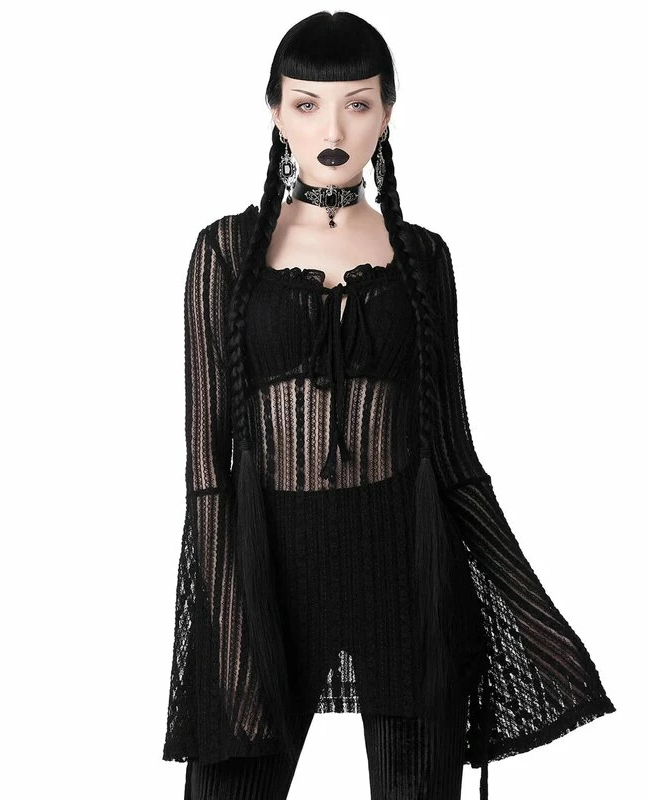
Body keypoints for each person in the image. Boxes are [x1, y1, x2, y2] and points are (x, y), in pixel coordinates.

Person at [162, 11, 616, 800]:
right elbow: (207, 466)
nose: (333, 128)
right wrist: (226, 635)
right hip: (267, 578)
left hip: (408, 574)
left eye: (358, 103)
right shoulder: (225, 252)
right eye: (307, 104)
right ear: (275, 111)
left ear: (388, 112)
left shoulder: (422, 257)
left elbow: (453, 453)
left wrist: (529, 615)